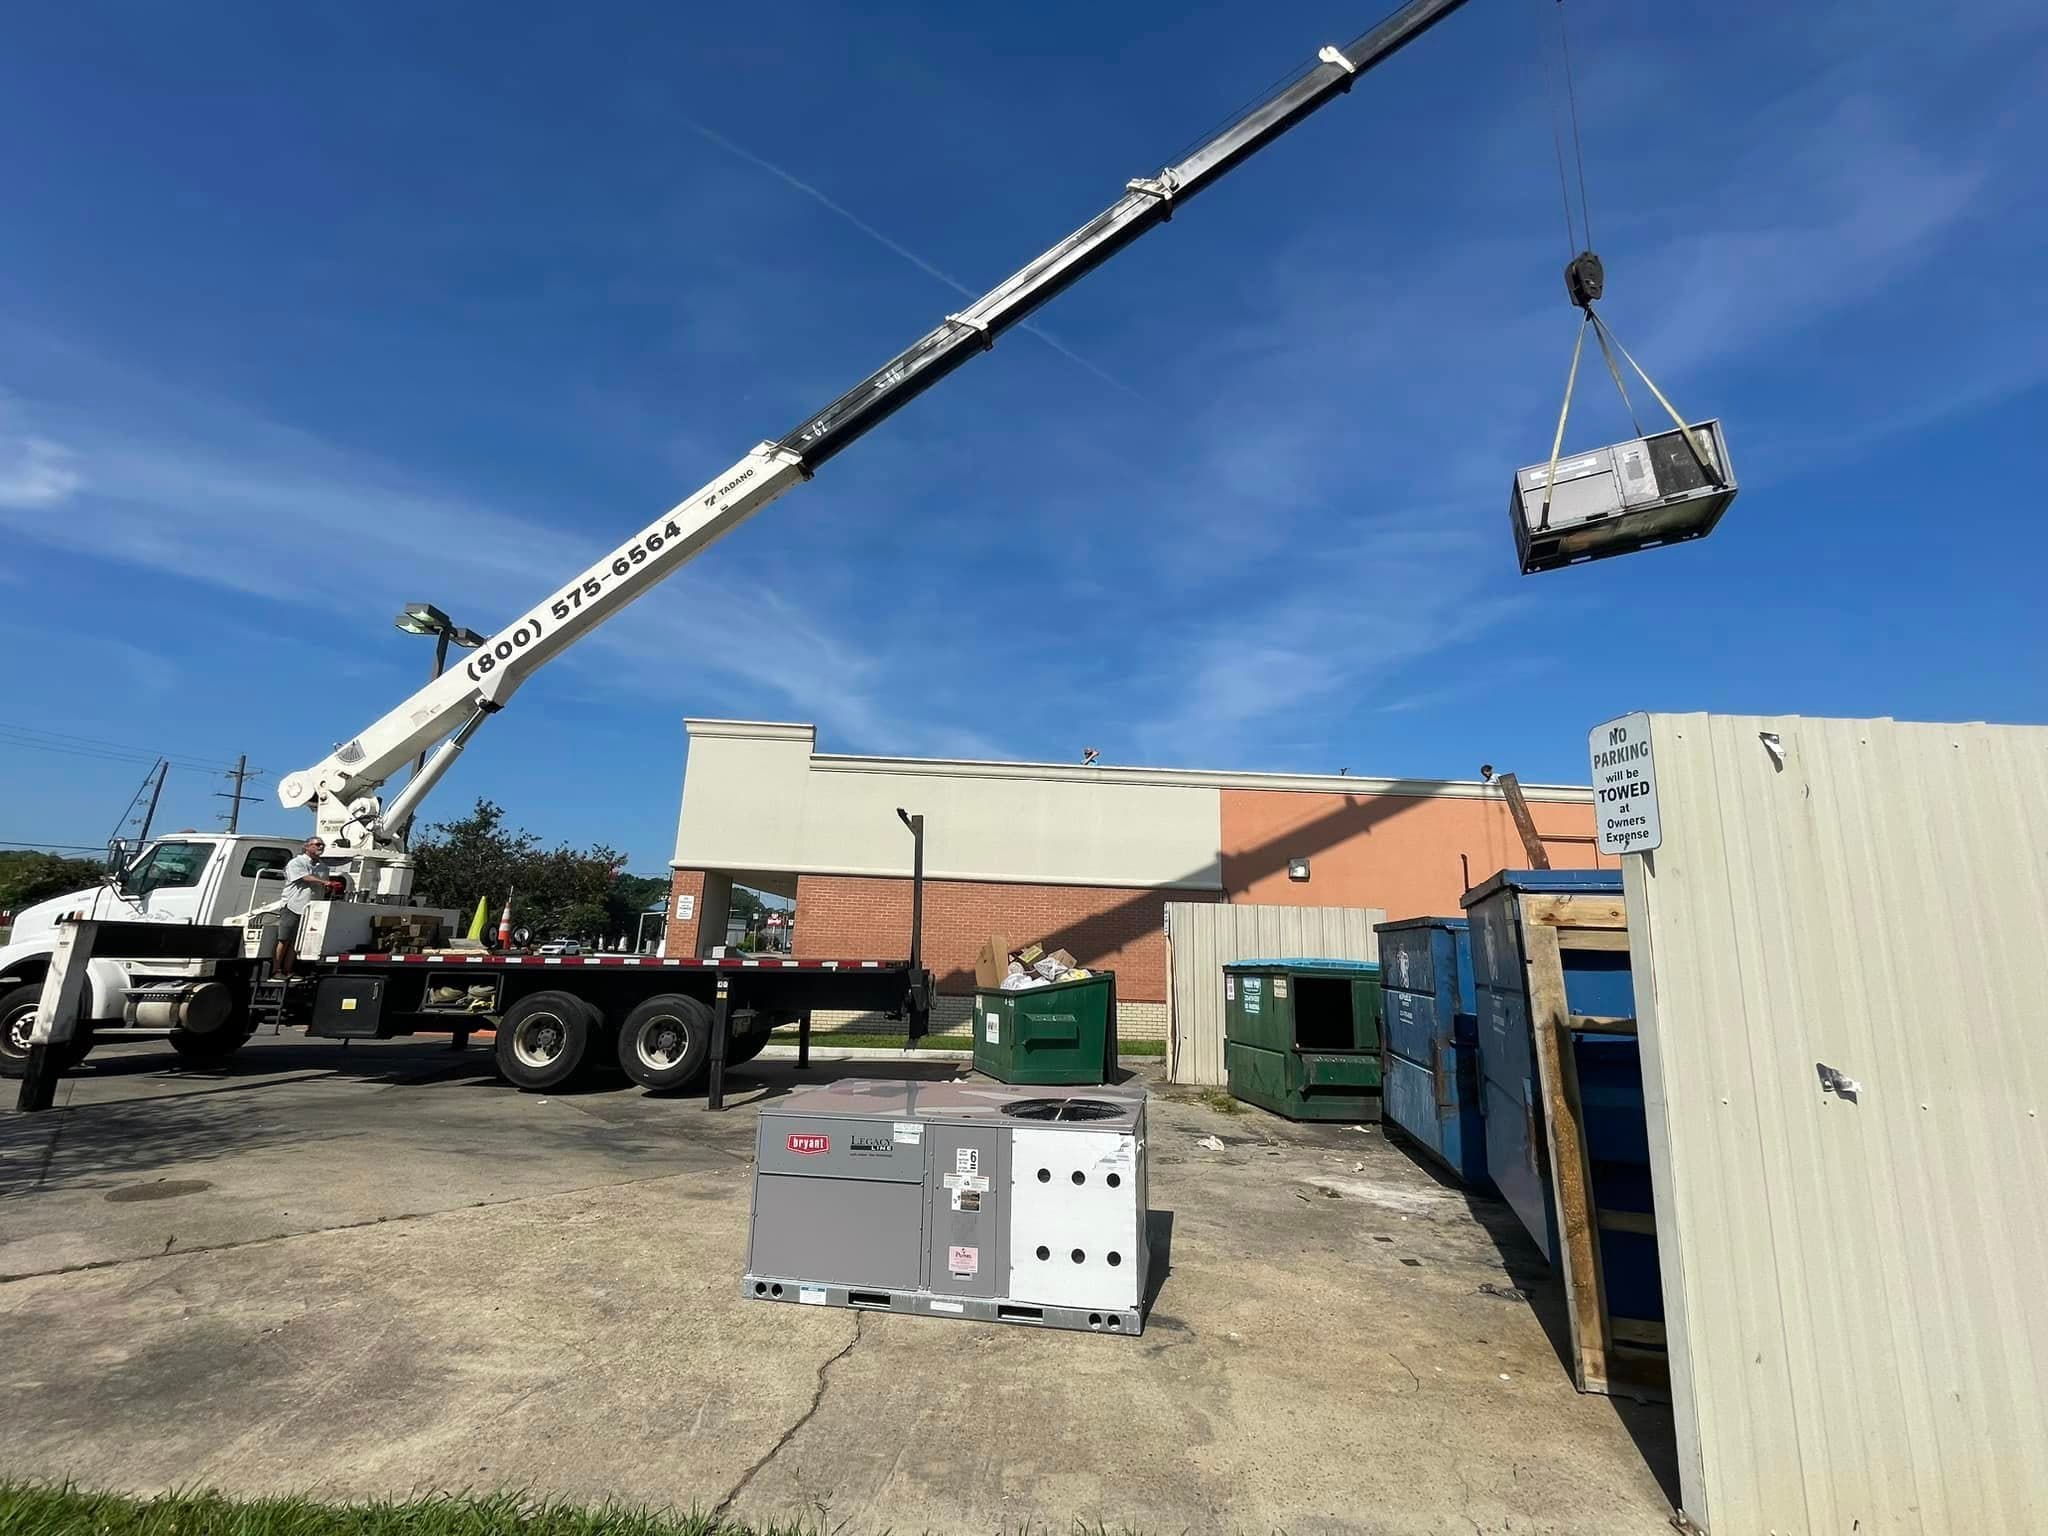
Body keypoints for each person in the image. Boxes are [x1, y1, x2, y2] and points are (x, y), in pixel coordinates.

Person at [275, 836, 341, 975]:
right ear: (307, 847)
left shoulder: (323, 867)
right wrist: (324, 882)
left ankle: (288, 970)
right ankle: (276, 970)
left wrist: (328, 887)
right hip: (293, 905)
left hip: (310, 909)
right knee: (284, 939)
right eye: (317, 844)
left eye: (322, 845)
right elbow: (304, 877)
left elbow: (322, 884)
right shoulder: (297, 862)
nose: (321, 847)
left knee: (297, 941)